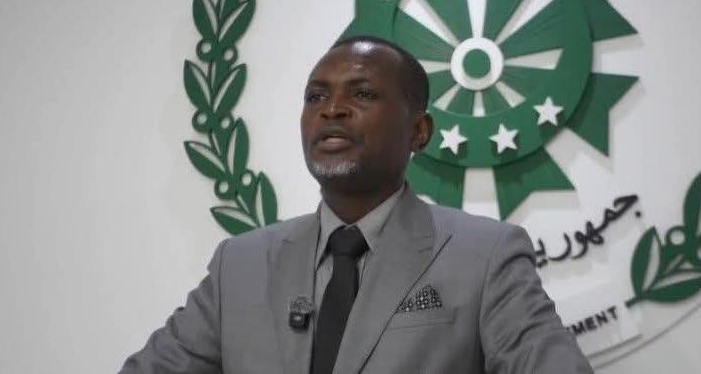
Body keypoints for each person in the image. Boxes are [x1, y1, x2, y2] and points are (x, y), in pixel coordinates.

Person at [120, 35, 593, 373]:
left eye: (363, 94)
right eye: (316, 96)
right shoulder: (239, 264)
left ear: (419, 131)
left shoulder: (486, 256)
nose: (332, 109)